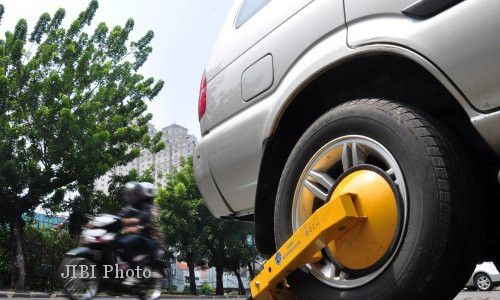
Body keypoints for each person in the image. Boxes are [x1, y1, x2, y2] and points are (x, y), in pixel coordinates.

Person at [116, 181, 163, 286]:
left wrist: (134, 225)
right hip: (137, 237)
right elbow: (120, 217)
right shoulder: (132, 207)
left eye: (139, 192)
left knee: (132, 241)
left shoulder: (152, 207)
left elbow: (148, 219)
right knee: (117, 241)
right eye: (136, 192)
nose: (137, 195)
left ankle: (136, 274)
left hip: (150, 237)